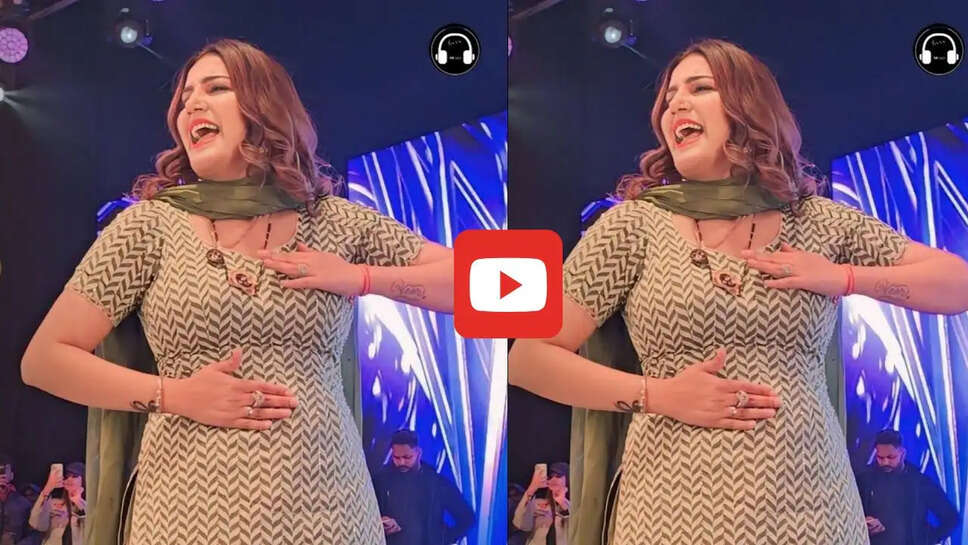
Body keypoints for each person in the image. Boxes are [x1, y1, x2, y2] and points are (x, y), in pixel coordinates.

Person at [508, 38, 968, 544]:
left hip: (812, 504)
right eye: (669, 98)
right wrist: (659, 394)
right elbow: (529, 357)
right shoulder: (633, 227)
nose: (675, 105)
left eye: (699, 88)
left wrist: (844, 277)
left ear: (749, 106)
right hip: (670, 504)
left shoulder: (819, 221)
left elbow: (956, 283)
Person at [20, 39, 454, 545]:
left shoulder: (335, 221)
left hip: (328, 506)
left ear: (264, 106)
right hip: (183, 506)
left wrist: (360, 277)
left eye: (216, 88)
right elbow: (44, 359)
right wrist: (175, 394)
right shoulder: (149, 227)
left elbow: (488, 284)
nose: (192, 106)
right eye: (185, 98)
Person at [371, 429, 475, 545]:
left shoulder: (436, 483)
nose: (401, 462)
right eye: (396, 457)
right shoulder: (381, 480)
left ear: (418, 453)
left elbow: (467, 518)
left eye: (407, 457)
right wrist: (381, 522)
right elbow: (368, 514)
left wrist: (443, 539)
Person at [855, 429, 959, 545]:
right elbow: (851, 513)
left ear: (902, 453)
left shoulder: (920, 483)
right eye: (880, 457)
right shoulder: (865, 479)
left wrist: (927, 539)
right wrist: (864, 523)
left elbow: (952, 518)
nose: (885, 462)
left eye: (891, 457)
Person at [28, 463, 85, 545]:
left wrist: (79, 502)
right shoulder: (54, 503)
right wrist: (47, 489)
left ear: (84, 479)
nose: (69, 479)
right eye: (67, 476)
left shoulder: (90, 506)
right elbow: (36, 524)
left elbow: (92, 530)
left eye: (74, 476)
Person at [512, 463, 569, 545]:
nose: (553, 479)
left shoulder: (576, 507)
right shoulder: (538, 503)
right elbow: (520, 524)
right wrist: (531, 489)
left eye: (558, 476)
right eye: (551, 476)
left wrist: (563, 503)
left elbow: (577, 530)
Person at [0, 455, 31, 545]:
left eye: (4, 471)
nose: (1, 476)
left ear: (11, 476)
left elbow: (33, 533)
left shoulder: (24, 503)